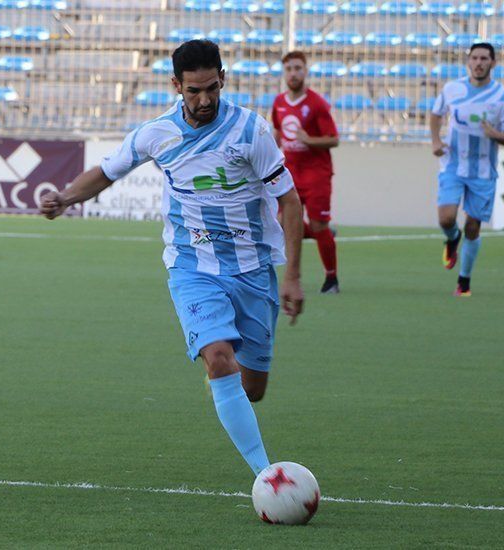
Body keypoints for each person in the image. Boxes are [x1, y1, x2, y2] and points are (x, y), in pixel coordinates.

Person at [39, 40, 305, 476]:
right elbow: (107, 172)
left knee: (252, 388)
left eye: (211, 89)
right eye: (194, 91)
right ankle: (267, 474)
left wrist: (292, 274)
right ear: (176, 86)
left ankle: (221, 378)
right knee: (220, 359)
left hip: (253, 268)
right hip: (192, 266)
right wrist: (66, 197)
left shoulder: (251, 131)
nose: (204, 100)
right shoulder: (156, 133)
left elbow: (289, 202)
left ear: (223, 79)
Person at [429, 42, 504, 297]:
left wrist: (495, 134)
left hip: (483, 171)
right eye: (475, 58)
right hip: (453, 164)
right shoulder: (452, 89)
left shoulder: (503, 96)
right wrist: (435, 141)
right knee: (445, 218)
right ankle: (451, 237)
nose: (479, 63)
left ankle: (464, 281)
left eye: (484, 59)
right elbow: (436, 115)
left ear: (493, 63)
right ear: (468, 62)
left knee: (473, 228)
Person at [271, 51, 341, 294]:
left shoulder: (316, 104)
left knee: (319, 224)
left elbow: (333, 140)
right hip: (290, 172)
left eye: (298, 68)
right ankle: (320, 234)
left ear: (305, 71)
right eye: (289, 68)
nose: (293, 73)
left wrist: (308, 140)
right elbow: (278, 132)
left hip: (317, 173)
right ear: (284, 72)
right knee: (283, 222)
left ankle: (331, 278)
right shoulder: (279, 102)